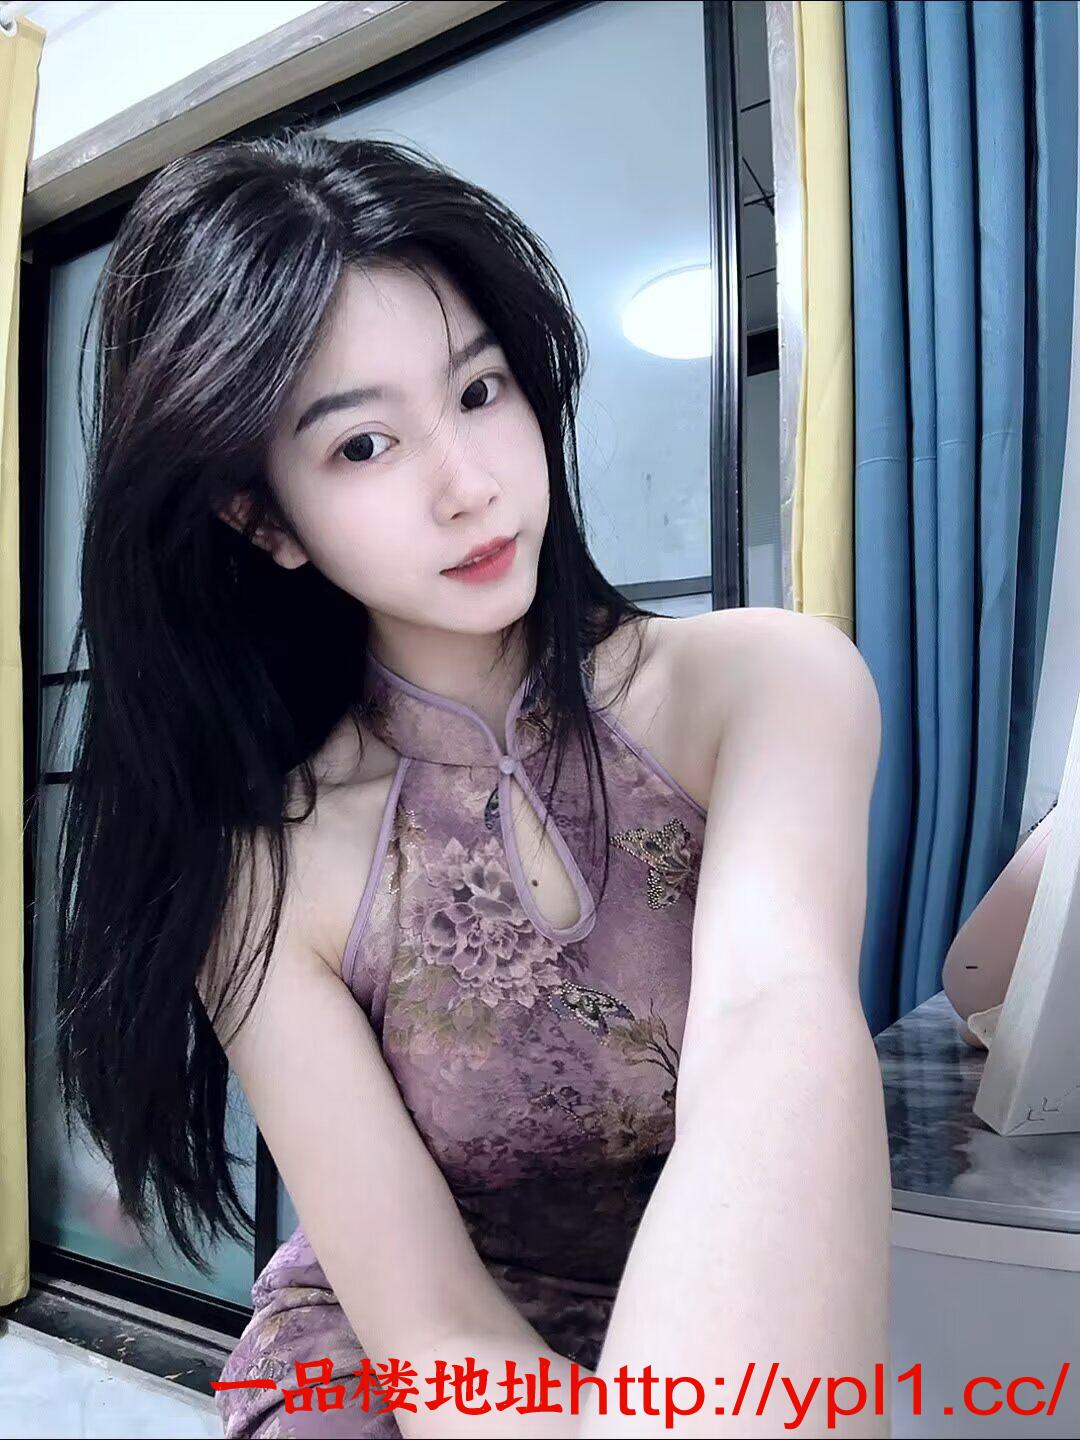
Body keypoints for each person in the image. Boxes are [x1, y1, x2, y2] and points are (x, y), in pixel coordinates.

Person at [47, 130, 891, 1438]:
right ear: (265, 519)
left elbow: (773, 1028)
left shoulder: (766, 686)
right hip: (402, 1371)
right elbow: (433, 1327)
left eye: (480, 391)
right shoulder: (268, 864)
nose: (470, 485)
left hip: (727, 1327)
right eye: (364, 446)